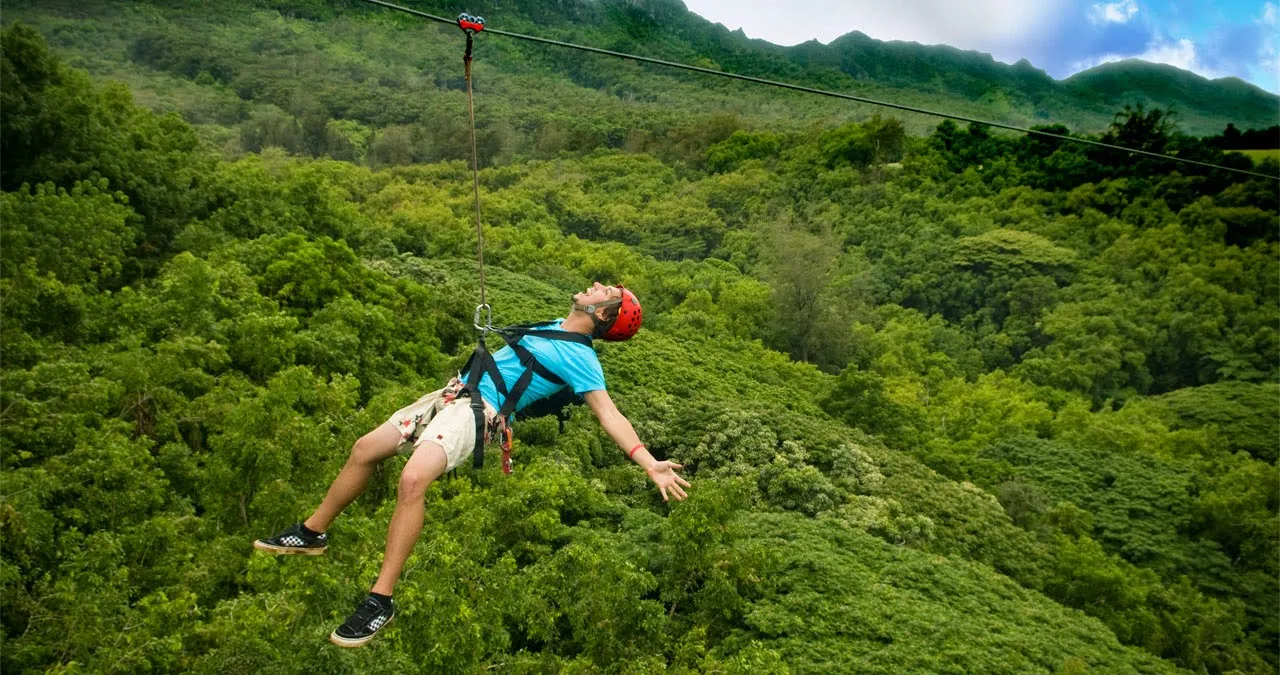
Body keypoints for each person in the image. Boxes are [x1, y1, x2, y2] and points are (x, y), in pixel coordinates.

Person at [253, 282, 691, 647]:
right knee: (365, 448)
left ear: (602, 315)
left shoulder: (584, 360)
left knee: (412, 480)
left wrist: (648, 462)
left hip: (477, 413)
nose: (595, 285)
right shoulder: (551, 326)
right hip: (454, 396)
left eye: (606, 290)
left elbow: (609, 413)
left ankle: (380, 600)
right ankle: (312, 533)